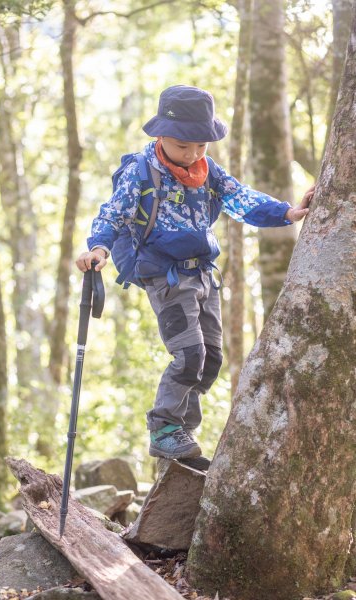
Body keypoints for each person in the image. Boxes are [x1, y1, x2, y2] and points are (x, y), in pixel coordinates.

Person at [76, 85, 314, 461]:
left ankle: (182, 434)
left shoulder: (208, 170)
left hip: (204, 274)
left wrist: (287, 213)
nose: (192, 154)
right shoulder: (140, 172)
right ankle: (164, 428)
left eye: (200, 145)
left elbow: (240, 197)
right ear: (160, 136)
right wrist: (98, 248)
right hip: (165, 276)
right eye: (183, 145)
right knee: (189, 355)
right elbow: (112, 214)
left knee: (211, 359)